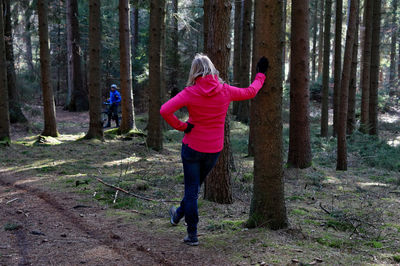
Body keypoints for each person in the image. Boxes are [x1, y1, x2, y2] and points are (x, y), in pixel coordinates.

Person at [160, 53, 269, 246]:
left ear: (195, 72)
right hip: (213, 150)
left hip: (192, 147)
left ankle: (191, 233)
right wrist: (261, 74)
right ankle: (177, 214)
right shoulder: (224, 90)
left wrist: (183, 127)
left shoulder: (190, 92)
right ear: (212, 69)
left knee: (192, 190)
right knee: (194, 189)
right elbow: (250, 92)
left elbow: (164, 110)